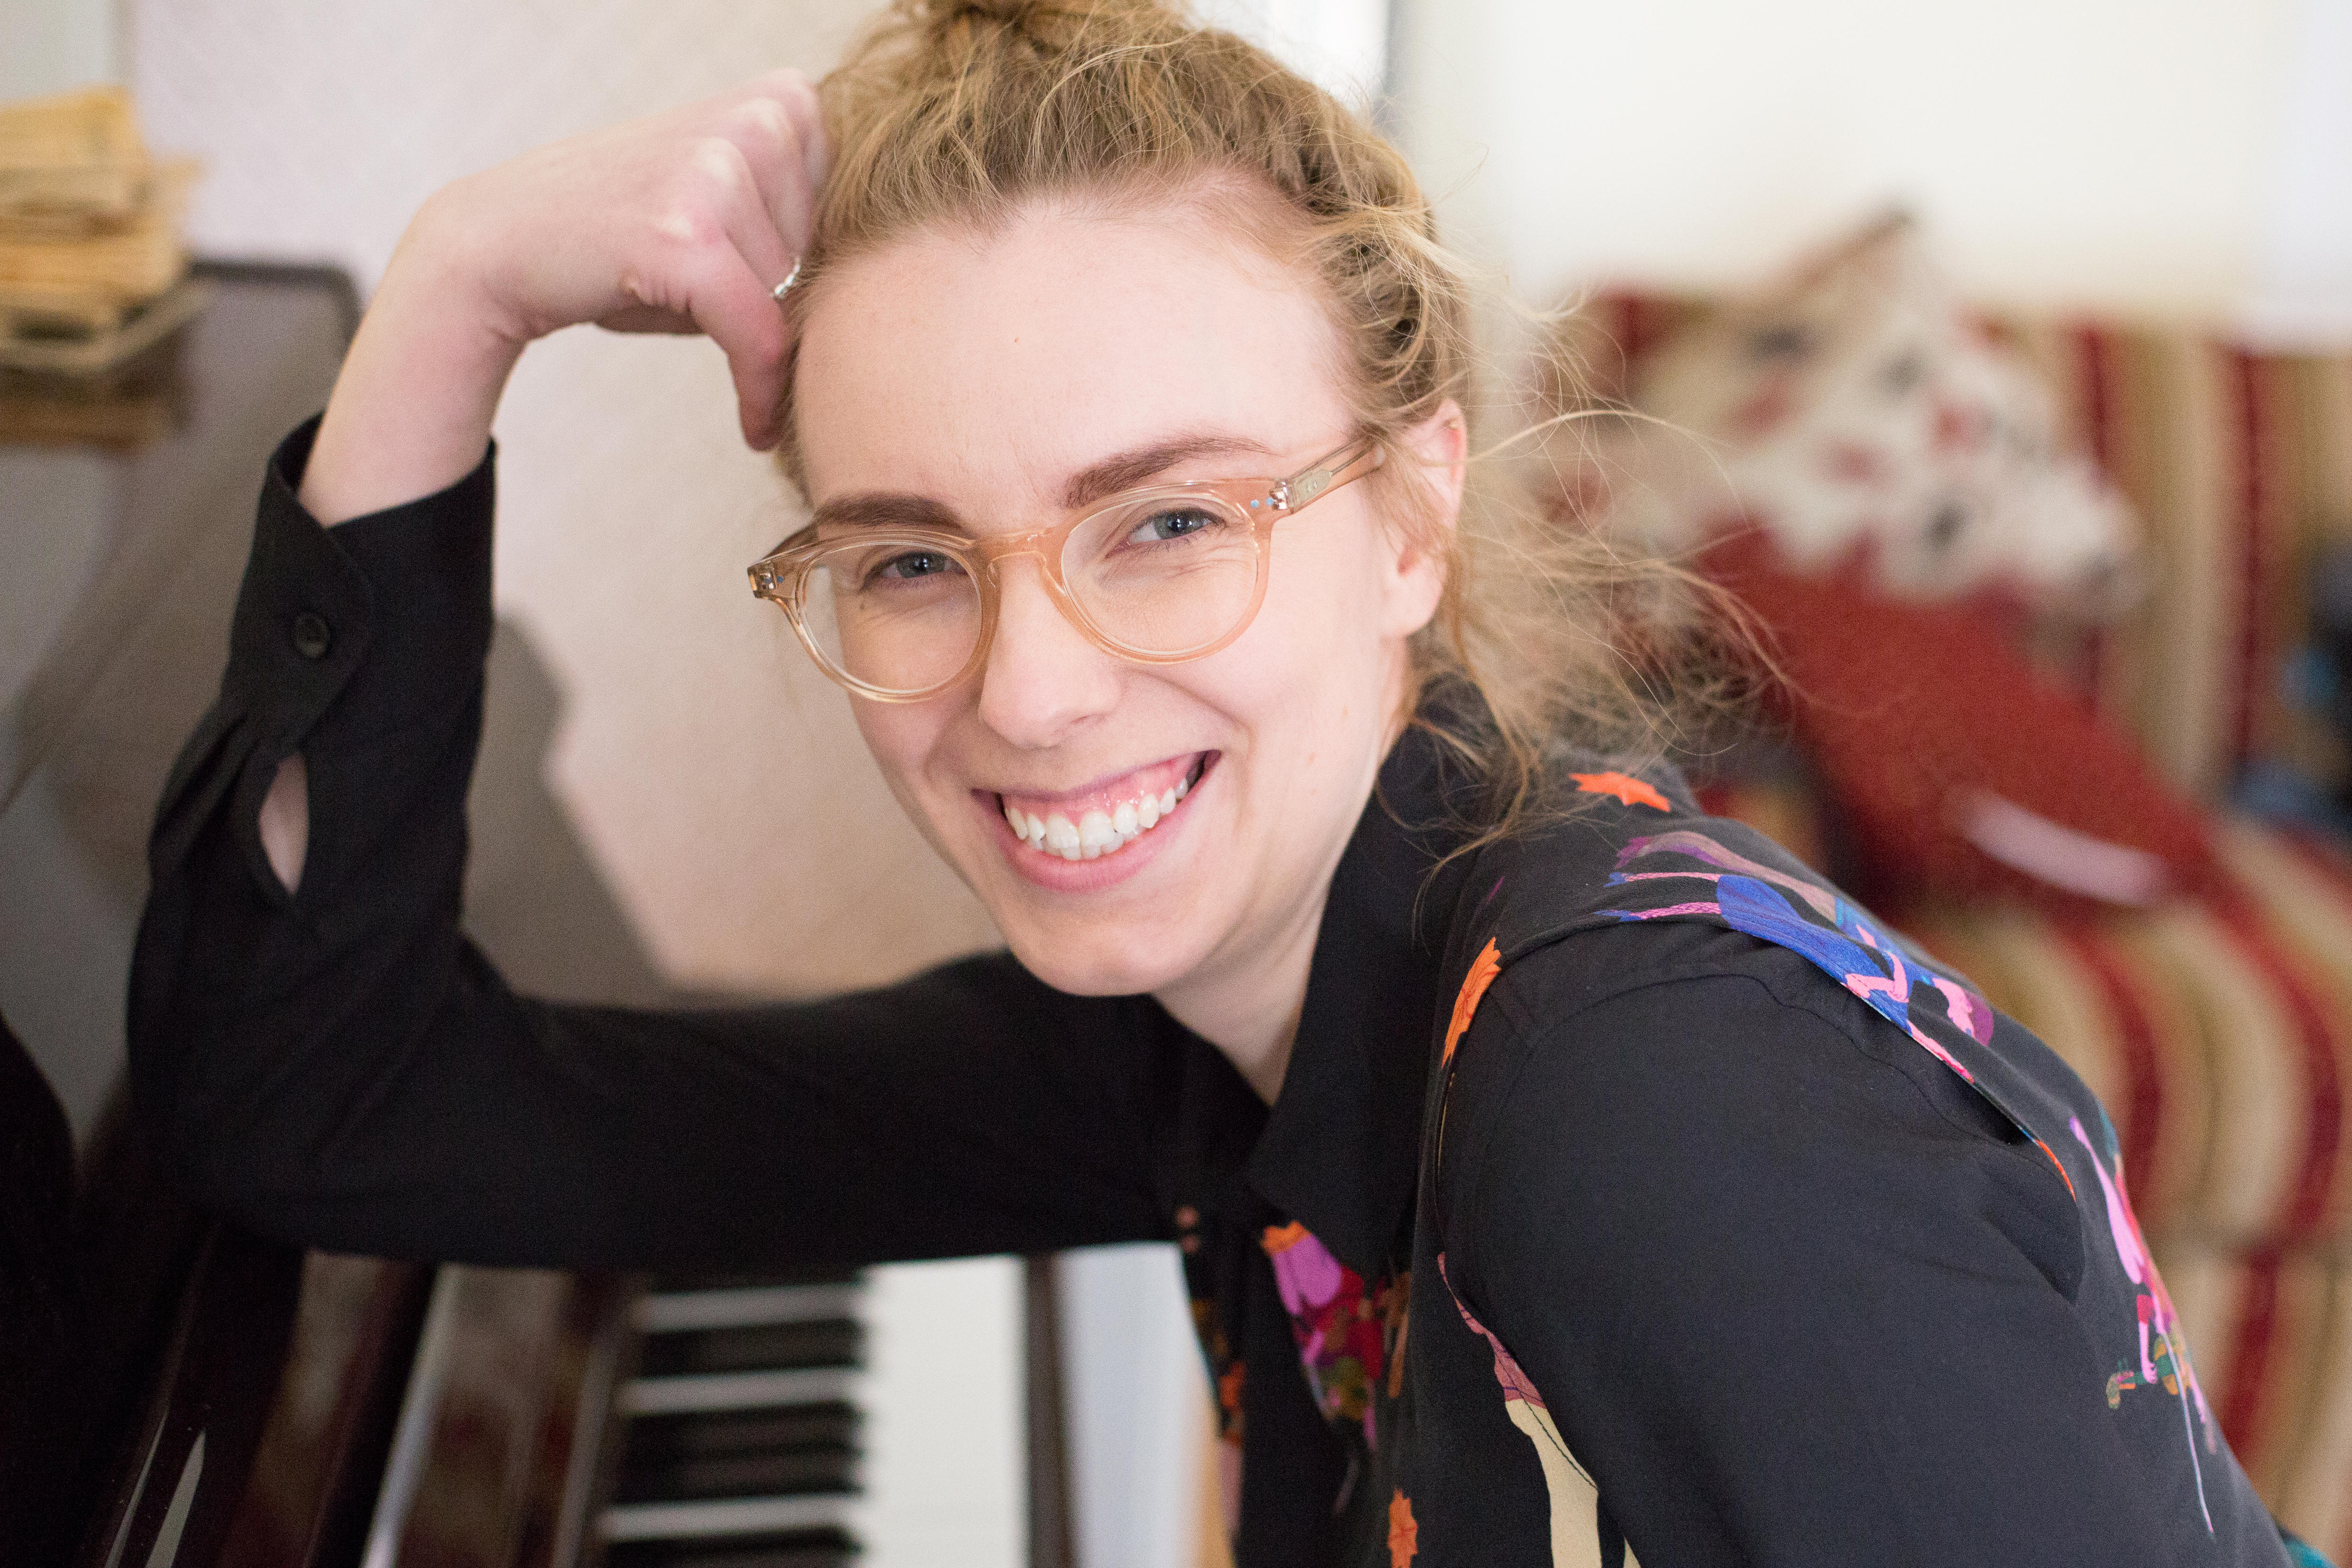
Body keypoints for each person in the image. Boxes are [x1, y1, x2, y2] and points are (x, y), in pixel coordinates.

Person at [128, 2, 2318, 1564]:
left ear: (1409, 513)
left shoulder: (1637, 1107)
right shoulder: (1213, 1004)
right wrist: (449, 303)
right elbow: (323, 1109)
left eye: (1165, 522)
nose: (1037, 694)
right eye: (910, 558)